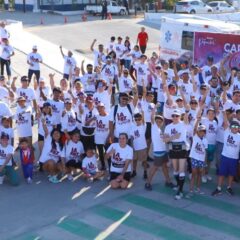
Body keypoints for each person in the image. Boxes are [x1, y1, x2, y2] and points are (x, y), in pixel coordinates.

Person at [164, 109, 189, 200]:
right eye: (173, 116)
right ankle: (179, 185)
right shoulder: (168, 126)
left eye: (177, 116)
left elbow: (186, 116)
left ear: (180, 116)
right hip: (172, 148)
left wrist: (186, 111)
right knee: (175, 169)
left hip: (182, 148)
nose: (175, 117)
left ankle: (180, 191)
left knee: (181, 170)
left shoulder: (183, 124)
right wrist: (174, 137)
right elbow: (165, 140)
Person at [212, 117, 240, 196]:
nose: (234, 128)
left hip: (234, 159)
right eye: (233, 126)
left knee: (231, 174)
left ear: (238, 128)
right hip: (225, 157)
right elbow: (225, 120)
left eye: (236, 127)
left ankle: (229, 187)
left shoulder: (239, 136)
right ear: (230, 127)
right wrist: (225, 111)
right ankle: (218, 188)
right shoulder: (227, 132)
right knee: (221, 173)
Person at [187, 124, 208, 197]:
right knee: (193, 174)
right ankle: (191, 190)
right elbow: (195, 127)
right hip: (194, 158)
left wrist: (205, 163)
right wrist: (198, 120)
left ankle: (198, 188)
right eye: (200, 131)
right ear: (198, 132)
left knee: (199, 175)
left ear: (205, 132)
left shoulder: (205, 140)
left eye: (203, 131)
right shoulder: (195, 137)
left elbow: (205, 152)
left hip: (201, 160)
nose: (202, 132)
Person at [130, 113, 148, 179]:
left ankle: (145, 172)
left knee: (144, 161)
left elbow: (143, 116)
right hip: (135, 147)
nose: (137, 121)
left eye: (139, 119)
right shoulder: (132, 126)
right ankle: (134, 171)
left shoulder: (144, 125)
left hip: (143, 147)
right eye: (136, 119)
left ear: (142, 119)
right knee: (134, 160)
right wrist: (132, 146)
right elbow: (131, 137)